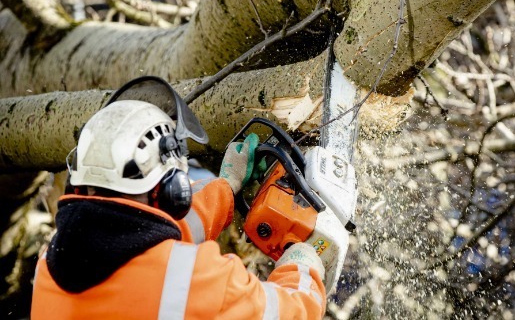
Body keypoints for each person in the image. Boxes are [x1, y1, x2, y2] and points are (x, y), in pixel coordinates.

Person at [31, 78, 327, 319]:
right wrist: (302, 268)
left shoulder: (51, 260)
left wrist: (227, 186)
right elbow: (293, 311)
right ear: (172, 190)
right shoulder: (195, 281)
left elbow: (154, 237)